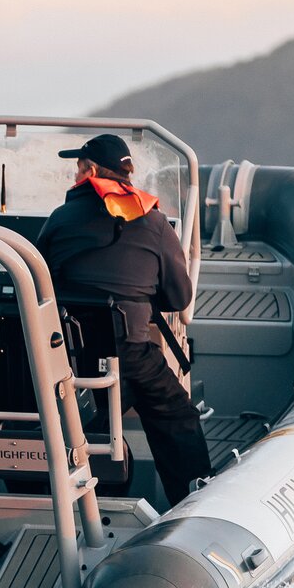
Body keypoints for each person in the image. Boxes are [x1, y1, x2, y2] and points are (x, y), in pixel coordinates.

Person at [36, 133, 211, 505]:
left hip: (67, 356)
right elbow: (179, 297)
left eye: (78, 167)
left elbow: (40, 282)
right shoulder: (155, 222)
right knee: (176, 417)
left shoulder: (59, 219)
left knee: (86, 417)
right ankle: (194, 503)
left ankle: (84, 494)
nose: (75, 173)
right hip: (130, 352)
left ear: (91, 170)